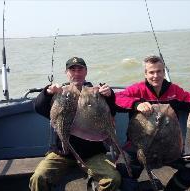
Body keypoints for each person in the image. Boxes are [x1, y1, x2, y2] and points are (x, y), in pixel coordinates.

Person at [115, 55, 190, 191]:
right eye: (151, 72)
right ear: (145, 74)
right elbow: (118, 98)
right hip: (139, 147)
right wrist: (136, 103)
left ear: (164, 72)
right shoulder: (137, 90)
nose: (155, 75)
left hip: (170, 147)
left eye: (159, 71)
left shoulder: (173, 90)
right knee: (123, 169)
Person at [29, 57, 121, 191]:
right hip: (62, 153)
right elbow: (39, 108)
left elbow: (111, 111)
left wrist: (109, 95)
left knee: (113, 179)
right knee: (38, 178)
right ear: (66, 72)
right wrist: (47, 92)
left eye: (80, 69)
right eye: (72, 70)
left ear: (86, 71)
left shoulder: (96, 92)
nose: (76, 73)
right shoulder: (60, 92)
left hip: (92, 153)